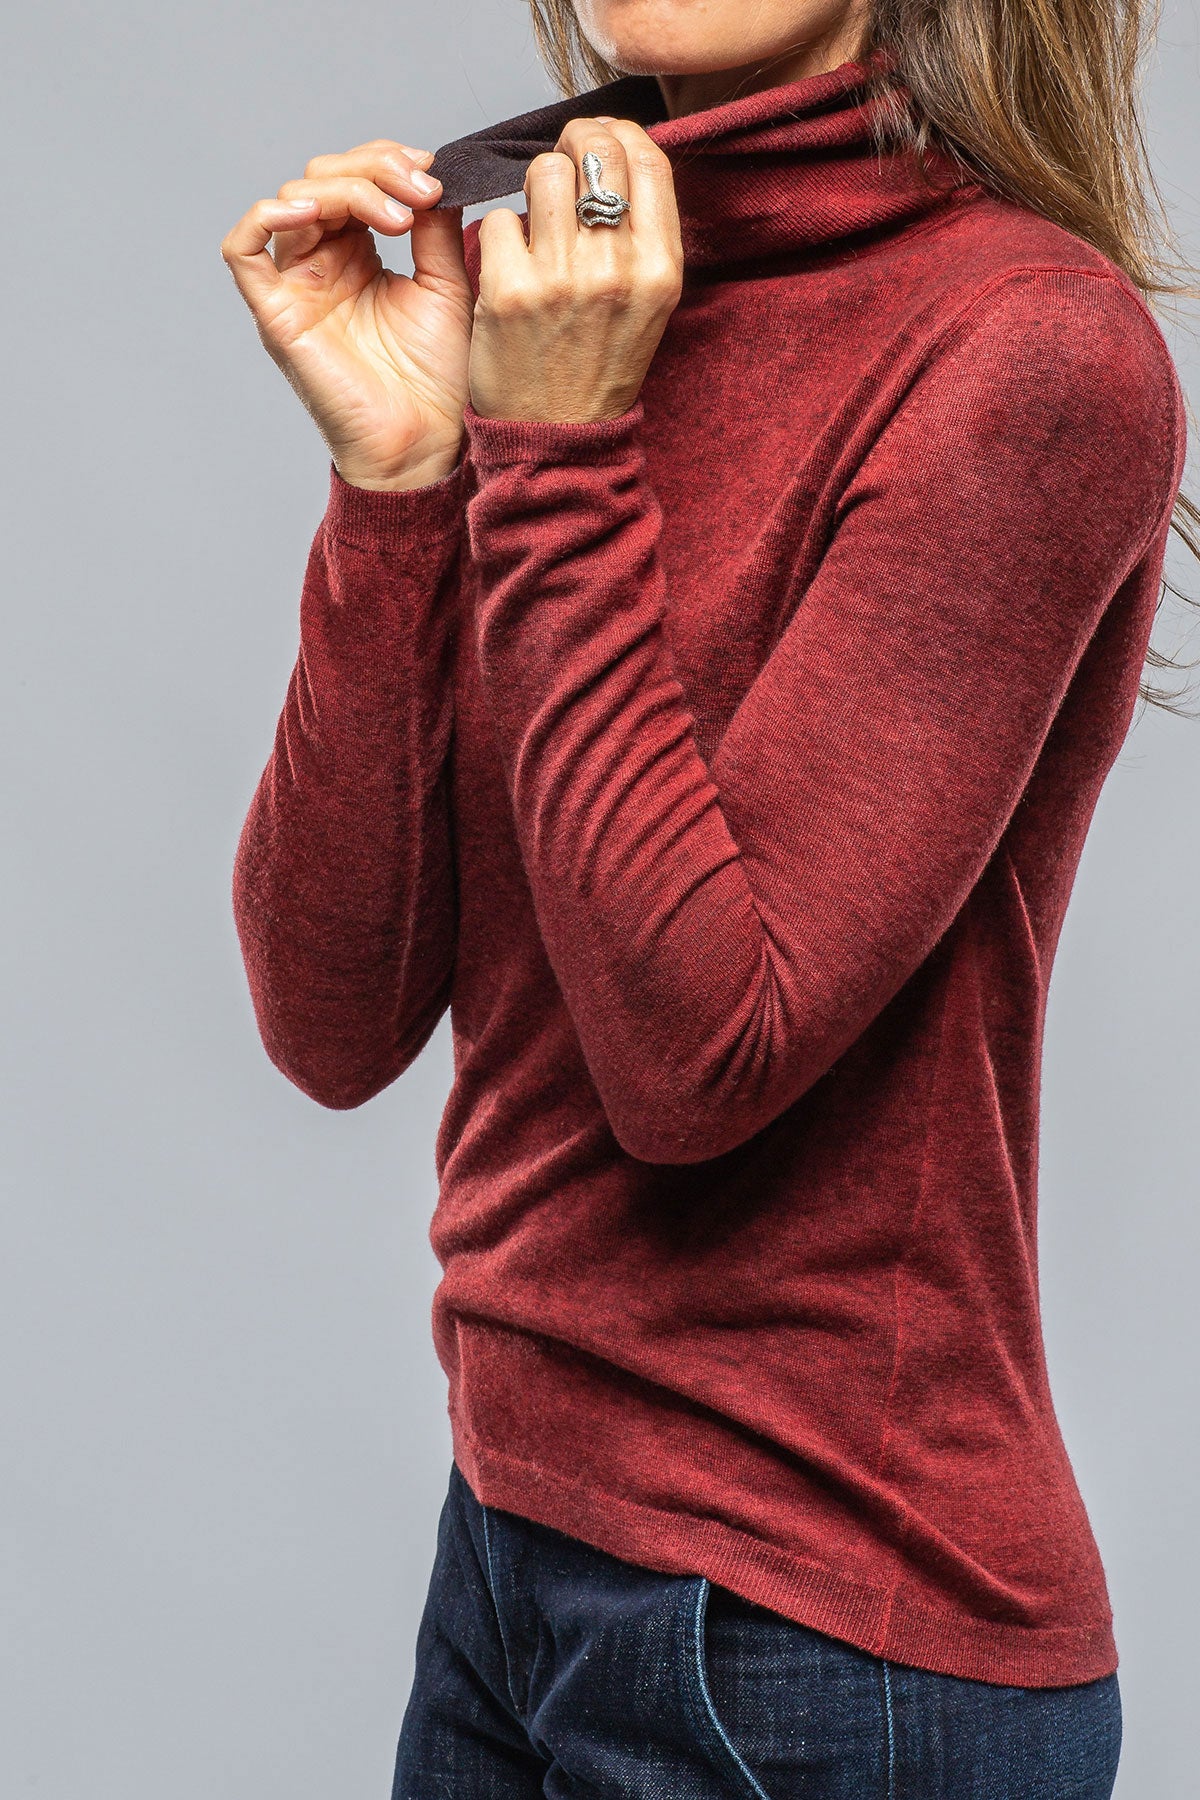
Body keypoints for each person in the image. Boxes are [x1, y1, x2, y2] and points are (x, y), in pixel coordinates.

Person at [219, 1, 1195, 1794]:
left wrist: (557, 450)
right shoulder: (553, 297)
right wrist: (398, 483)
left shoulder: (1030, 349)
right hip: (514, 1542)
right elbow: (328, 1020)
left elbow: (700, 1056)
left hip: (815, 1639)